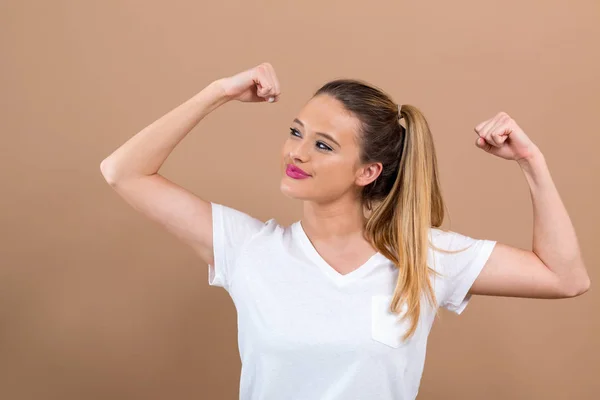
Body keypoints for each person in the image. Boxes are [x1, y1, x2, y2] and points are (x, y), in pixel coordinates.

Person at [100, 62, 591, 400]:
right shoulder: (247, 249)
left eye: (323, 145)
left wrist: (532, 162)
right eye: (295, 132)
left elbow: (564, 278)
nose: (297, 153)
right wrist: (218, 92)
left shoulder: (424, 258)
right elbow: (123, 171)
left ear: (367, 172)